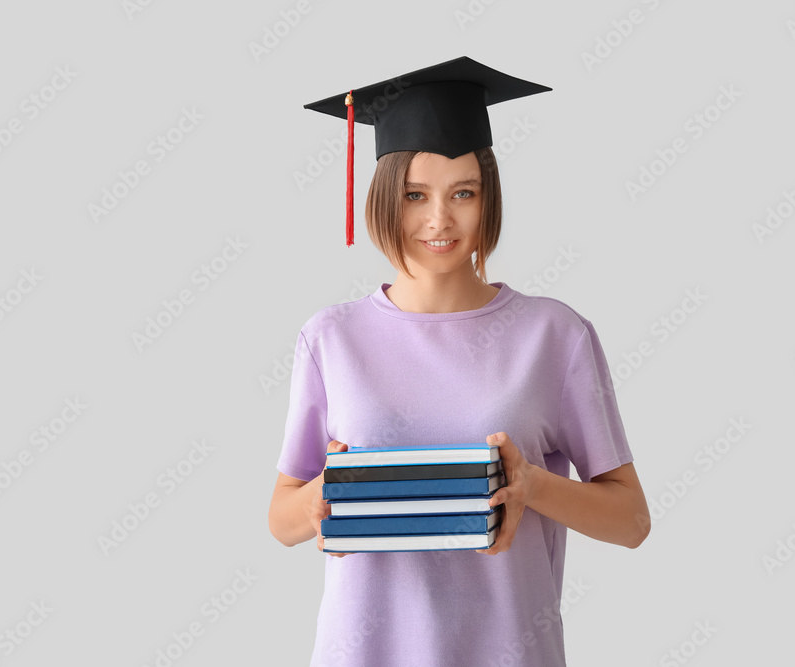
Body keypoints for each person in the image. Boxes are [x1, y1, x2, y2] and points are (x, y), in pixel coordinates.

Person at [268, 56, 650, 666]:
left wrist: (535, 486)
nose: (439, 219)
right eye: (416, 194)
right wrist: (320, 499)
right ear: (385, 196)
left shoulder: (554, 335)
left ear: (487, 197)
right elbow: (281, 518)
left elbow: (631, 520)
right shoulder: (330, 338)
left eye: (463, 193)